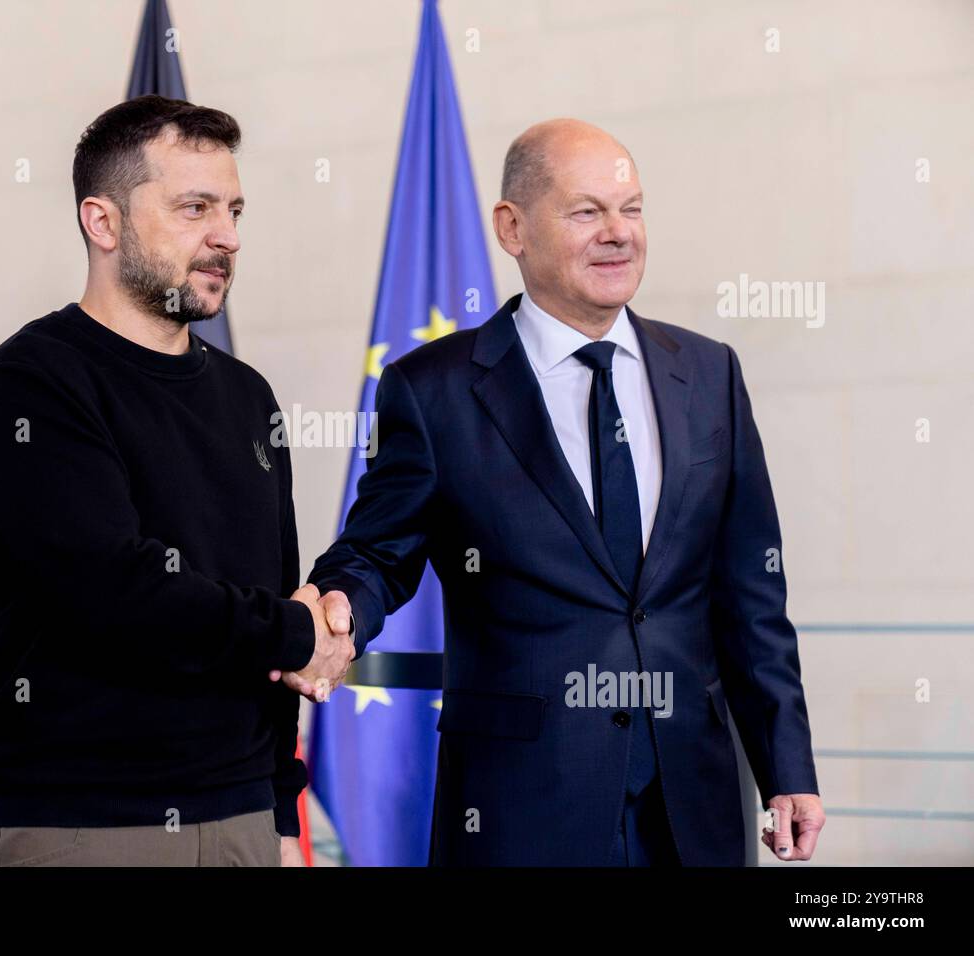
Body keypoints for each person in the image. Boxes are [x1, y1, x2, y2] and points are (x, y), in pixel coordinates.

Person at [303, 118, 825, 865]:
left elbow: (752, 599)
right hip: (521, 808)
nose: (618, 233)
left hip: (693, 803)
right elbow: (379, 553)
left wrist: (787, 770)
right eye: (587, 212)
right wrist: (338, 609)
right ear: (512, 228)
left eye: (632, 209)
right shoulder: (434, 391)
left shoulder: (710, 375)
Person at [0, 95, 352, 867]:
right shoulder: (31, 384)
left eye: (234, 209)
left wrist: (280, 815)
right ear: (101, 223)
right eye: (194, 208)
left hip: (243, 821)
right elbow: (118, 595)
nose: (226, 238)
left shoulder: (249, 397)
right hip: (87, 828)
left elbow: (269, 595)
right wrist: (301, 632)